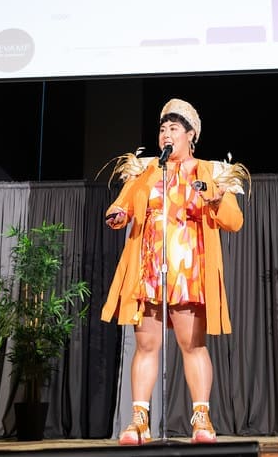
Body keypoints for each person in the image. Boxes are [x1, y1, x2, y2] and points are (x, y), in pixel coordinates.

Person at [100, 98, 249, 445]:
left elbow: (234, 221)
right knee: (146, 344)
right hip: (149, 269)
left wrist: (212, 198)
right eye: (162, 129)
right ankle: (139, 419)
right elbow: (121, 203)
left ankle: (201, 418)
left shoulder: (209, 172)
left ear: (191, 135)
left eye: (174, 129)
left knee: (192, 344)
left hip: (190, 271)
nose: (166, 134)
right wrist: (118, 214)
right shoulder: (147, 170)